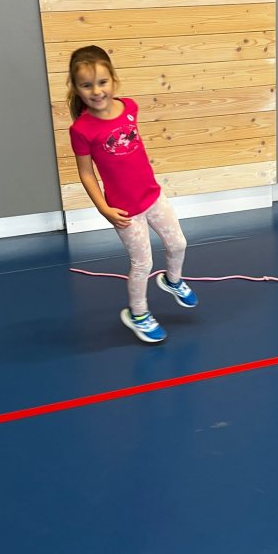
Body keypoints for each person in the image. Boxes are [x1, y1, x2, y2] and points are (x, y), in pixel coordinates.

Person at [67, 45, 198, 343]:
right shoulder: (82, 130)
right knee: (142, 264)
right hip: (124, 210)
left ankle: (173, 281)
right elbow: (86, 173)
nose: (96, 91)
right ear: (75, 88)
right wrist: (103, 208)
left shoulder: (130, 108)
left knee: (178, 243)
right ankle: (138, 314)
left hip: (152, 196)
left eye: (102, 82)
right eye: (86, 85)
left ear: (113, 80)